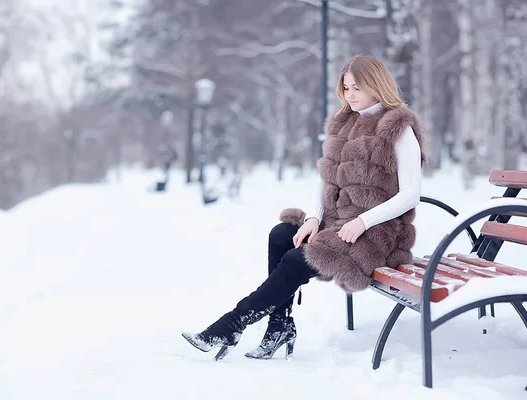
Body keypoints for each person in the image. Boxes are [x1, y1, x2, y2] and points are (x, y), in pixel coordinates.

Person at [181, 54, 426, 361]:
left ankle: (231, 324)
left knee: (298, 260)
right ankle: (279, 326)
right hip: (339, 223)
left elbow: (410, 195)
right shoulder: (345, 122)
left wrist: (363, 221)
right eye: (346, 87)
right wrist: (313, 218)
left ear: (376, 86)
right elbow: (328, 180)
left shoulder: (398, 128)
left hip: (376, 236)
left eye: (357, 88)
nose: (349, 95)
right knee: (283, 234)